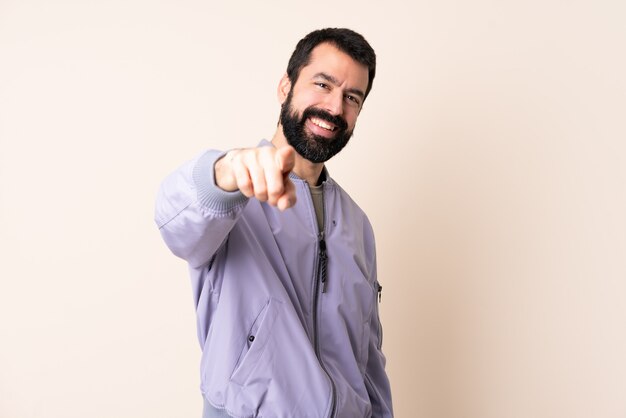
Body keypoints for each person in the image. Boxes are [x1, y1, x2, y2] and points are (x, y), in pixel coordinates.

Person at [155, 28, 393, 417]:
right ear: (286, 86)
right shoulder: (231, 196)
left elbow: (368, 359)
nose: (334, 108)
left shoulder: (359, 226)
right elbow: (174, 219)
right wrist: (227, 171)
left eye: (352, 97)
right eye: (322, 84)